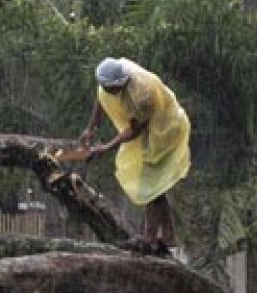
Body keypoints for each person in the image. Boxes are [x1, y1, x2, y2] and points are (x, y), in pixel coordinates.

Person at [79, 58, 191, 253]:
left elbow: (134, 131)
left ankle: (150, 239)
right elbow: (102, 98)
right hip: (147, 129)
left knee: (150, 185)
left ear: (120, 84)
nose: (109, 92)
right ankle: (169, 238)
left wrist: (105, 147)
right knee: (156, 187)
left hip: (164, 129)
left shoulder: (141, 94)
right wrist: (91, 128)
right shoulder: (109, 85)